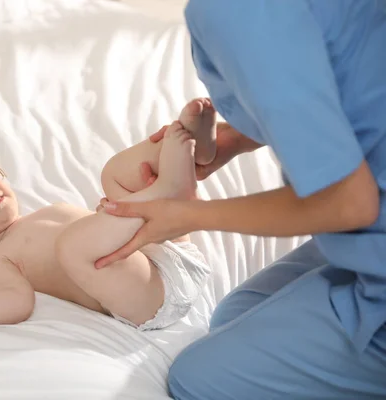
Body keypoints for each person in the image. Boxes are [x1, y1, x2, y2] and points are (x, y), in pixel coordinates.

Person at [96, 0, 386, 398]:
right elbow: (331, 80)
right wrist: (233, 140)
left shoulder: (237, 13)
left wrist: (191, 215)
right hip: (368, 221)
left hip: (363, 218)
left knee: (194, 379)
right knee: (235, 312)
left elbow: (351, 203)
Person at [0, 101, 212, 331]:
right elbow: (16, 303)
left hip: (166, 249)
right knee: (73, 246)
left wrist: (107, 219)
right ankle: (169, 187)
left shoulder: (46, 211)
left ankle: (196, 153)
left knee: (114, 174)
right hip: (147, 297)